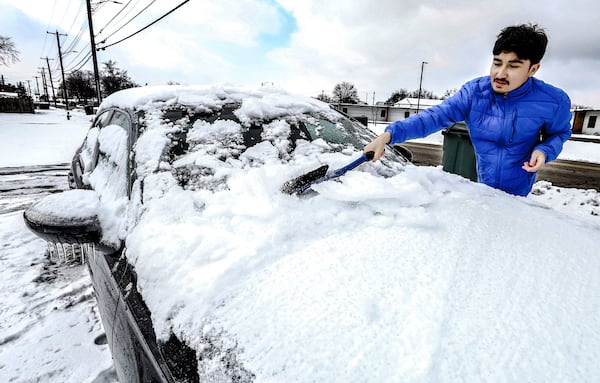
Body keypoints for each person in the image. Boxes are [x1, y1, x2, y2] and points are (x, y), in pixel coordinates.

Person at [364, 23, 572, 196]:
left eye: (513, 66)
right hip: (484, 188)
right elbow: (435, 117)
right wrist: (389, 135)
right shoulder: (474, 93)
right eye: (497, 63)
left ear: (533, 69)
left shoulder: (554, 101)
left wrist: (544, 150)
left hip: (519, 193)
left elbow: (560, 133)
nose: (500, 73)